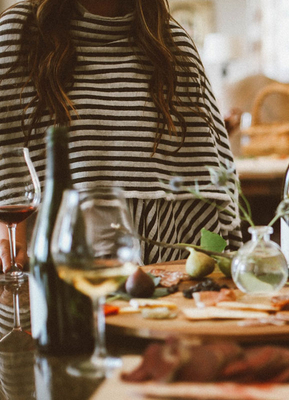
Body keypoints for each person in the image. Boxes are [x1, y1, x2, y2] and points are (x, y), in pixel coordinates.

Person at [0, 0, 242, 269]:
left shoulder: (172, 42)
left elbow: (215, 177)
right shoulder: (21, 32)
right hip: (58, 265)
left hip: (160, 263)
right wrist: (10, 239)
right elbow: (6, 152)